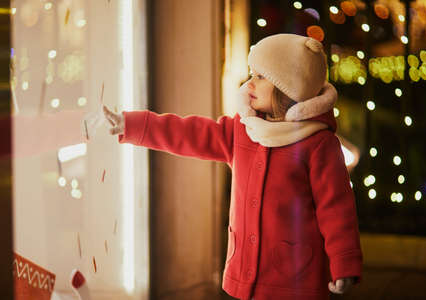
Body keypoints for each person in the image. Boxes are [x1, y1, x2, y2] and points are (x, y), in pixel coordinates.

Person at [102, 33, 363, 300]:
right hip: (245, 274)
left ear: (288, 87)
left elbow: (336, 208)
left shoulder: (318, 144)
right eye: (252, 73)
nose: (250, 82)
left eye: (261, 76)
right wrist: (132, 125)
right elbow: (187, 133)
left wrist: (344, 262)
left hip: (295, 279)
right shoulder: (242, 130)